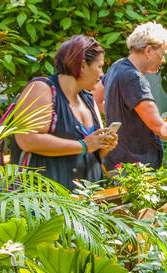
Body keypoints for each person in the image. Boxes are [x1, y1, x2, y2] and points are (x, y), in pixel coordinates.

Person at [6, 35, 118, 187]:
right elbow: (27, 140)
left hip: (88, 202)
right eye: (99, 66)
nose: (101, 74)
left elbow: (93, 152)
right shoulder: (41, 89)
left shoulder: (88, 97)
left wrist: (104, 145)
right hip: (44, 203)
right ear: (82, 66)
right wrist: (84, 145)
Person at [102, 21, 167, 171]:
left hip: (117, 161)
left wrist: (120, 114)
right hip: (135, 166)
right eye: (163, 54)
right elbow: (157, 125)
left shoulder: (116, 66)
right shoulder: (134, 78)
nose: (164, 60)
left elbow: (97, 98)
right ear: (149, 50)